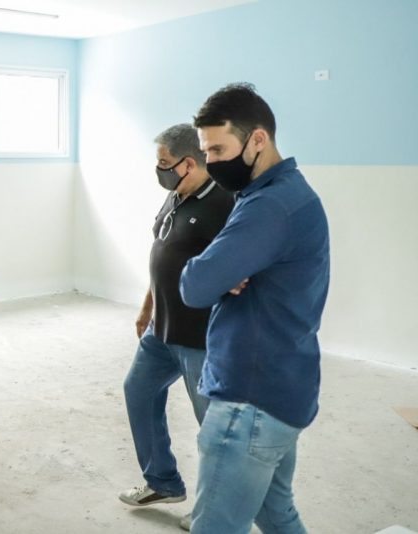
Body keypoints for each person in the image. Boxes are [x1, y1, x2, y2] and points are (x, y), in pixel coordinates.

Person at [181, 83, 330, 534]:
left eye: (219, 148)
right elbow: (217, 276)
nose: (211, 162)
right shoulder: (290, 193)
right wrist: (223, 271)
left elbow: (195, 285)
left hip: (250, 401)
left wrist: (211, 270)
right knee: (275, 512)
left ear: (258, 139)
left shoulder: (270, 207)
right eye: (206, 151)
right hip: (284, 389)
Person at [119, 124, 234, 511]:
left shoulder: (225, 203)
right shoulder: (176, 195)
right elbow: (163, 252)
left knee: (213, 429)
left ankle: (219, 509)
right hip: (161, 331)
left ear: (188, 163)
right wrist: (147, 306)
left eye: (164, 163)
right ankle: (163, 482)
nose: (160, 170)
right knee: (138, 392)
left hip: (201, 338)